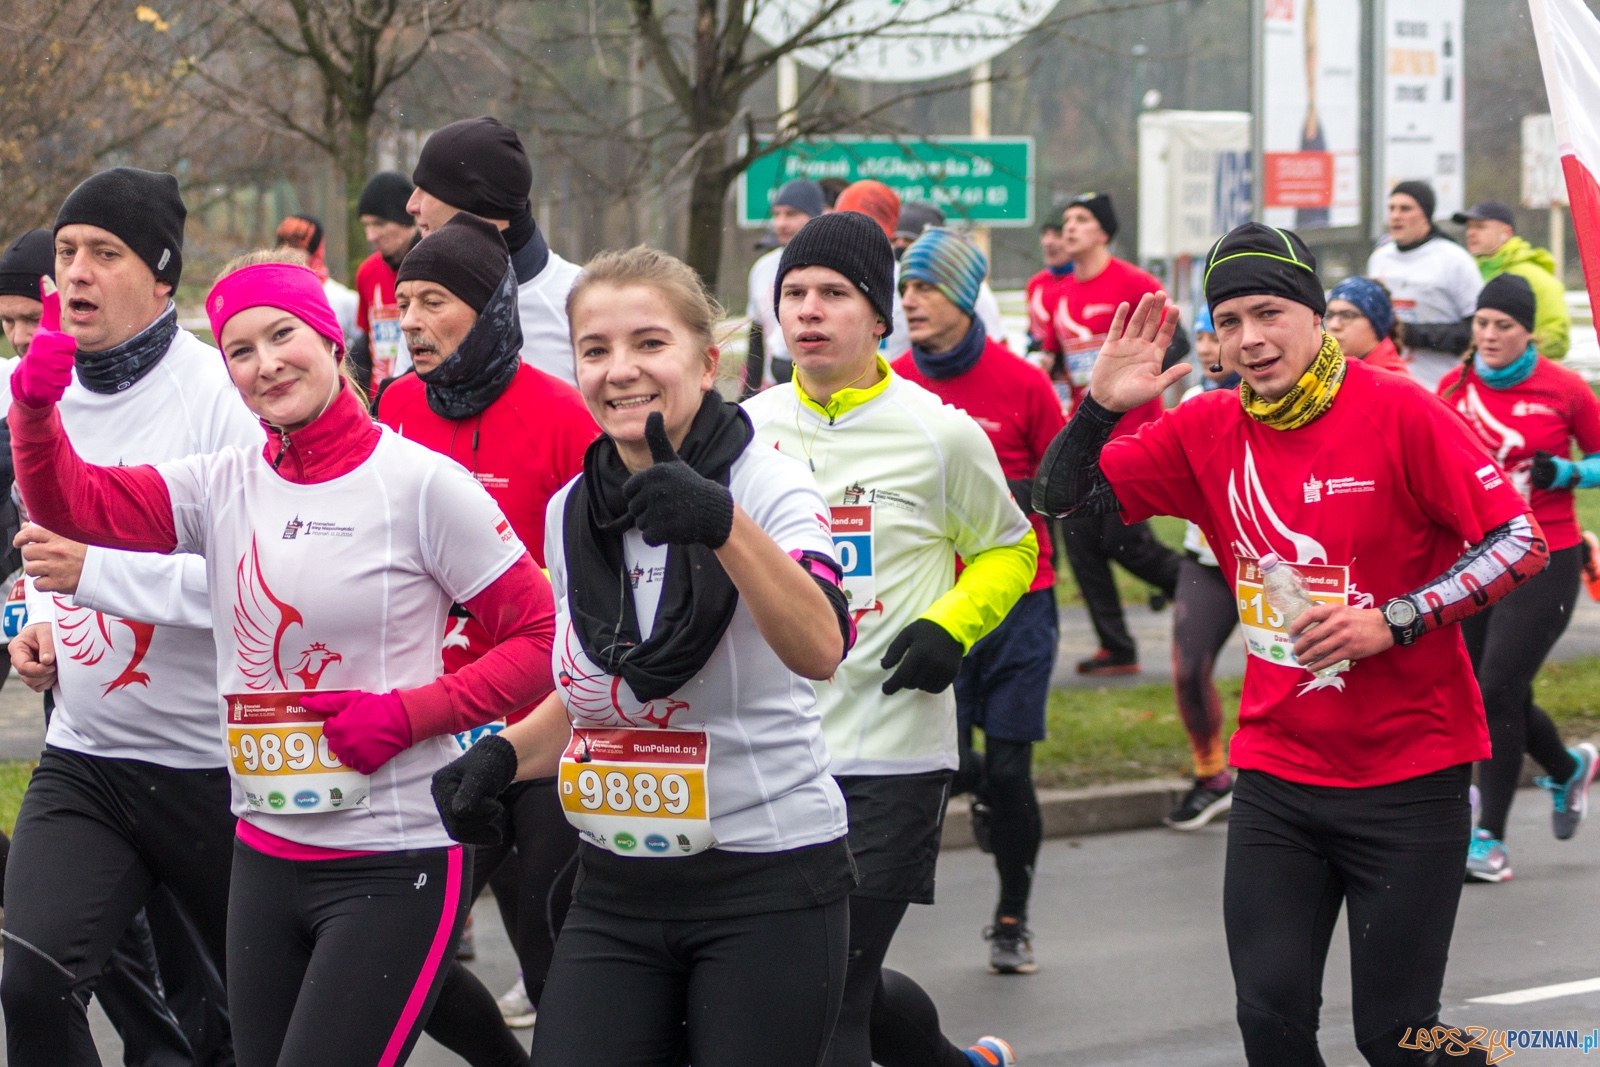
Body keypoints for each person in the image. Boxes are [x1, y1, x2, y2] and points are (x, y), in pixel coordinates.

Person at [9, 245, 559, 1067]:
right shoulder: (219, 484)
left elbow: (545, 640)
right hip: (264, 853)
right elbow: (72, 503)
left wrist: (409, 714)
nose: (265, 363)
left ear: (332, 340)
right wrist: (36, 406)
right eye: (240, 349)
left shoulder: (422, 484)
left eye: (282, 335)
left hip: (393, 853)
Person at [1035, 221, 1546, 1066]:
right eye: (1229, 321)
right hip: (1278, 775)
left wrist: (1393, 620)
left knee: (1398, 1040)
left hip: (1409, 777)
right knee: (1269, 1026)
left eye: (1269, 312)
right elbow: (1061, 499)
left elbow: (1520, 540)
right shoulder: (1206, 428)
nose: (1250, 339)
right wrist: (1099, 409)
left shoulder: (1398, 408)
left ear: (1315, 313)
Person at [431, 244, 861, 1067]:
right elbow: (598, 694)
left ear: (707, 362)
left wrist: (721, 524)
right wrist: (502, 756)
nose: (620, 369)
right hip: (616, 882)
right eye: (595, 349)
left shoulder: (768, 484)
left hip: (765, 879)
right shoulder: (572, 508)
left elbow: (820, 646)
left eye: (649, 343)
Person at [744, 210, 1034, 1067]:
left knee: (829, 991)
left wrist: (952, 623)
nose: (809, 310)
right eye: (795, 293)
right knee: (834, 976)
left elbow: (1011, 547)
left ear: (879, 316)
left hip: (892, 752)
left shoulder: (940, 433)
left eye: (834, 293)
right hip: (774, 749)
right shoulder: (743, 431)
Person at [0, 169, 262, 1067]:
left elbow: (258, 584)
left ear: (162, 278)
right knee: (31, 981)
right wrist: (44, 620)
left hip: (215, 767)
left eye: (104, 253)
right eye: (67, 250)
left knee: (253, 1019)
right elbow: (45, 537)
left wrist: (98, 575)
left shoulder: (220, 393)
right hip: (90, 758)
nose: (75, 270)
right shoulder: (41, 388)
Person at [376, 213, 596, 1057]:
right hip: (432, 713)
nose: (412, 321)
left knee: (549, 948)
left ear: (491, 306)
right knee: (402, 950)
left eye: (434, 301)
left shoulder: (564, 414)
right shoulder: (395, 405)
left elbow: (600, 573)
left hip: (540, 722)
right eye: (404, 302)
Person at [890, 227, 1063, 975]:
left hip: (1022, 601)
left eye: (925, 286)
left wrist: (1011, 492)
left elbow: (1065, 485)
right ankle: (977, 791)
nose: (910, 300)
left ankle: (1011, 917)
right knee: (949, 769)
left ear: (963, 297)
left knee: (1012, 772)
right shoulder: (892, 381)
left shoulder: (1022, 385)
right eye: (904, 287)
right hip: (936, 610)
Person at [1437, 273, 1600, 882]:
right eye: (1482, 323)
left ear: (1527, 331)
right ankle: (1566, 768)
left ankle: (1490, 839)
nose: (1489, 335)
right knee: (1485, 689)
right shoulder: (1454, 387)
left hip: (1548, 555)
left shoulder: (1564, 389)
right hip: (1478, 557)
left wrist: (1572, 474)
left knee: (1498, 688)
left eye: (1503, 325)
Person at [1039, 192, 1184, 675]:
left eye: (1081, 219)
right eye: (1066, 220)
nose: (1069, 228)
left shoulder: (1134, 283)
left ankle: (1201, 587)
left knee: (1128, 541)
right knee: (1080, 541)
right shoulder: (1059, 294)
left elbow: (1177, 340)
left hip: (1134, 433)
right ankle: (1116, 648)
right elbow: (1060, 359)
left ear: (1103, 231)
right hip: (1086, 433)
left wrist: (1138, 370)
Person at [407, 116, 583, 388]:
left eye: (427, 189)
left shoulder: (580, 299)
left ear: (475, 200)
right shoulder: (419, 297)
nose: (411, 205)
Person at [1163, 303, 1239, 830]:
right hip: (1208, 561)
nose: (1209, 348)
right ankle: (1212, 776)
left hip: (1271, 566)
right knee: (1188, 671)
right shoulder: (1193, 401)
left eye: (1218, 336)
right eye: (1202, 337)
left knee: (1300, 676)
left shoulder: (1278, 398)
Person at [1366, 180, 1483, 388]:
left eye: (1405, 209)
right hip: (1388, 385)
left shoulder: (1454, 259)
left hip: (1438, 385)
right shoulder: (1379, 258)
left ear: (1426, 215)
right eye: (1391, 208)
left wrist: (1410, 333)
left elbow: (1475, 330)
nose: (1395, 216)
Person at [1454, 199, 1570, 360]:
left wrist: (1508, 358)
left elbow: (1557, 341)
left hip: (1526, 374)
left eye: (1480, 226)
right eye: (1469, 227)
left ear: (1506, 233)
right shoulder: (1465, 272)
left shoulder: (1535, 277)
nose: (1470, 233)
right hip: (1472, 372)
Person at [745, 178, 825, 392]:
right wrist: (748, 394)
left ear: (815, 216)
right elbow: (756, 339)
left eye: (791, 214)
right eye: (776, 215)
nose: (781, 223)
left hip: (819, 387)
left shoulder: (831, 267)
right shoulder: (762, 268)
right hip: (774, 389)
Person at [888, 200, 1006, 343]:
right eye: (895, 240)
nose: (907, 302)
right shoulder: (889, 279)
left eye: (908, 239)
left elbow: (997, 342)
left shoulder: (969, 286)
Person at [351, 170, 422, 395]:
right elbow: (366, 346)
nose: (371, 236)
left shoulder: (434, 268)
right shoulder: (367, 273)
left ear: (405, 220)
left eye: (379, 224)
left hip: (422, 396)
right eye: (366, 226)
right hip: (381, 401)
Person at [274, 214, 359, 348]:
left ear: (314, 251)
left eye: (294, 246)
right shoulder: (270, 295)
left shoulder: (343, 299)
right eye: (281, 244)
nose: (284, 251)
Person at [1323, 277, 1411, 376]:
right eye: (1329, 315)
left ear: (1376, 325)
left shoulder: (1394, 382)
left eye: (1347, 315)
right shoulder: (1328, 374)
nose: (1334, 325)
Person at [1025, 221, 1071, 356]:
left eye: (1058, 235)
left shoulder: (1085, 281)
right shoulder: (1035, 284)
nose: (1048, 242)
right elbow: (1032, 332)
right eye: (1044, 234)